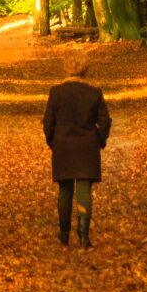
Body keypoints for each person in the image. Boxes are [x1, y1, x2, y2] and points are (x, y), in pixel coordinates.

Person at [42, 59, 111, 248]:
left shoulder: (56, 93)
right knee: (84, 189)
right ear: (85, 70)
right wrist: (98, 139)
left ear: (66, 68)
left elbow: (48, 123)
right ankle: (83, 235)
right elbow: (105, 121)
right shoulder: (94, 93)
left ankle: (64, 235)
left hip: (63, 145)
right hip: (86, 147)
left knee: (64, 189)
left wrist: (53, 142)